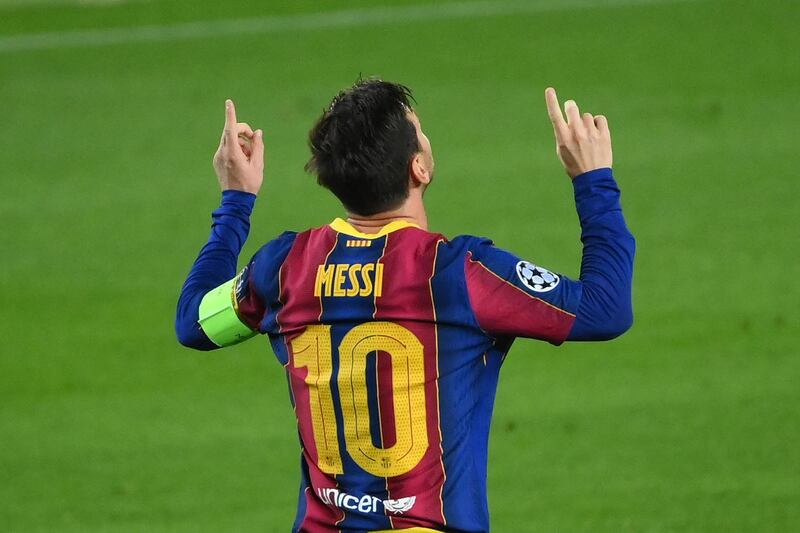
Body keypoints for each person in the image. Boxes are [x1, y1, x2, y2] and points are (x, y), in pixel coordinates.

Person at [176, 79, 635, 533]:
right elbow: (605, 308)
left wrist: (236, 200)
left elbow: (194, 323)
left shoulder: (283, 267)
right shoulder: (458, 273)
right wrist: (592, 180)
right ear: (418, 168)